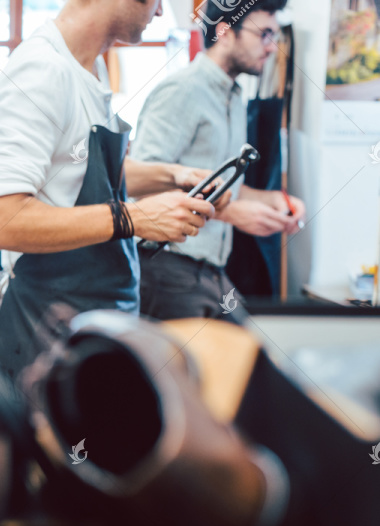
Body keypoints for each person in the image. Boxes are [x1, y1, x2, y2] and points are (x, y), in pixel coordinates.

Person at [0, 0, 227, 380]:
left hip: (96, 327)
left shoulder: (93, 68)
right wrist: (134, 218)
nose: (159, 13)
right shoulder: (42, 69)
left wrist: (175, 174)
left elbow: (84, 175)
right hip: (44, 336)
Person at [131, 0, 305, 321]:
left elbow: (224, 189)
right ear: (225, 33)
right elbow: (141, 188)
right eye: (264, 35)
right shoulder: (182, 90)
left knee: (250, 353)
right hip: (169, 269)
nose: (271, 48)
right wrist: (233, 214)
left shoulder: (234, 97)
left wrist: (275, 201)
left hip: (209, 270)